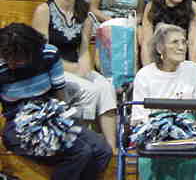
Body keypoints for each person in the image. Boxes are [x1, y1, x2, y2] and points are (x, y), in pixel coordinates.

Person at [0, 23, 113, 179]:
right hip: (18, 127)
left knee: (102, 150)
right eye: (7, 57)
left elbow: (60, 95)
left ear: (32, 52)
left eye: (17, 58)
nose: (11, 63)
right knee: (80, 151)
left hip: (52, 118)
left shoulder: (49, 54)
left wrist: (63, 121)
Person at [32, 0, 118, 151]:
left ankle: (112, 149)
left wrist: (85, 69)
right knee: (90, 90)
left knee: (106, 87)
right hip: (51, 69)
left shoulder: (85, 13)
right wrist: (73, 70)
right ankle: (82, 145)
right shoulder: (44, 10)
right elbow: (42, 53)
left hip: (76, 67)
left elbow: (84, 49)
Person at [133, 23, 196, 179]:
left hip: (189, 128)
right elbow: (139, 118)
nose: (182, 47)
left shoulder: (194, 70)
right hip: (156, 132)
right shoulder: (144, 75)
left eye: (184, 42)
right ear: (160, 48)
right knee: (148, 157)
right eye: (175, 42)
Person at [140, 0, 196, 66]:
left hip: (182, 59)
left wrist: (194, 69)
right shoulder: (151, 6)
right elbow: (147, 43)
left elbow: (193, 42)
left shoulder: (192, 6)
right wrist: (148, 70)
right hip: (158, 59)